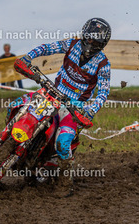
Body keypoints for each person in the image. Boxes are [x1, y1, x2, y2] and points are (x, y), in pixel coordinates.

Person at [14, 17, 111, 196]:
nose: (90, 44)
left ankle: (65, 182)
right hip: (52, 93)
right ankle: (12, 146)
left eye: (96, 42)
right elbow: (48, 48)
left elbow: (103, 92)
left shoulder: (103, 64)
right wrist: (28, 58)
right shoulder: (72, 44)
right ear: (84, 35)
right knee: (18, 106)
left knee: (63, 142)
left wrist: (91, 110)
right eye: (89, 38)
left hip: (74, 107)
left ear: (102, 44)